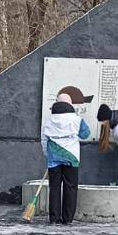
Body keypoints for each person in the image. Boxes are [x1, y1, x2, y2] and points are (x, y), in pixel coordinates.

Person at [41, 91, 92, 224]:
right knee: (71, 188)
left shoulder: (48, 121)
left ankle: (54, 218)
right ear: (70, 104)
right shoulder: (77, 120)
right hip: (72, 158)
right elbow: (86, 134)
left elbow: (44, 140)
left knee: (54, 188)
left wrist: (48, 155)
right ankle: (68, 219)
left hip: (53, 160)